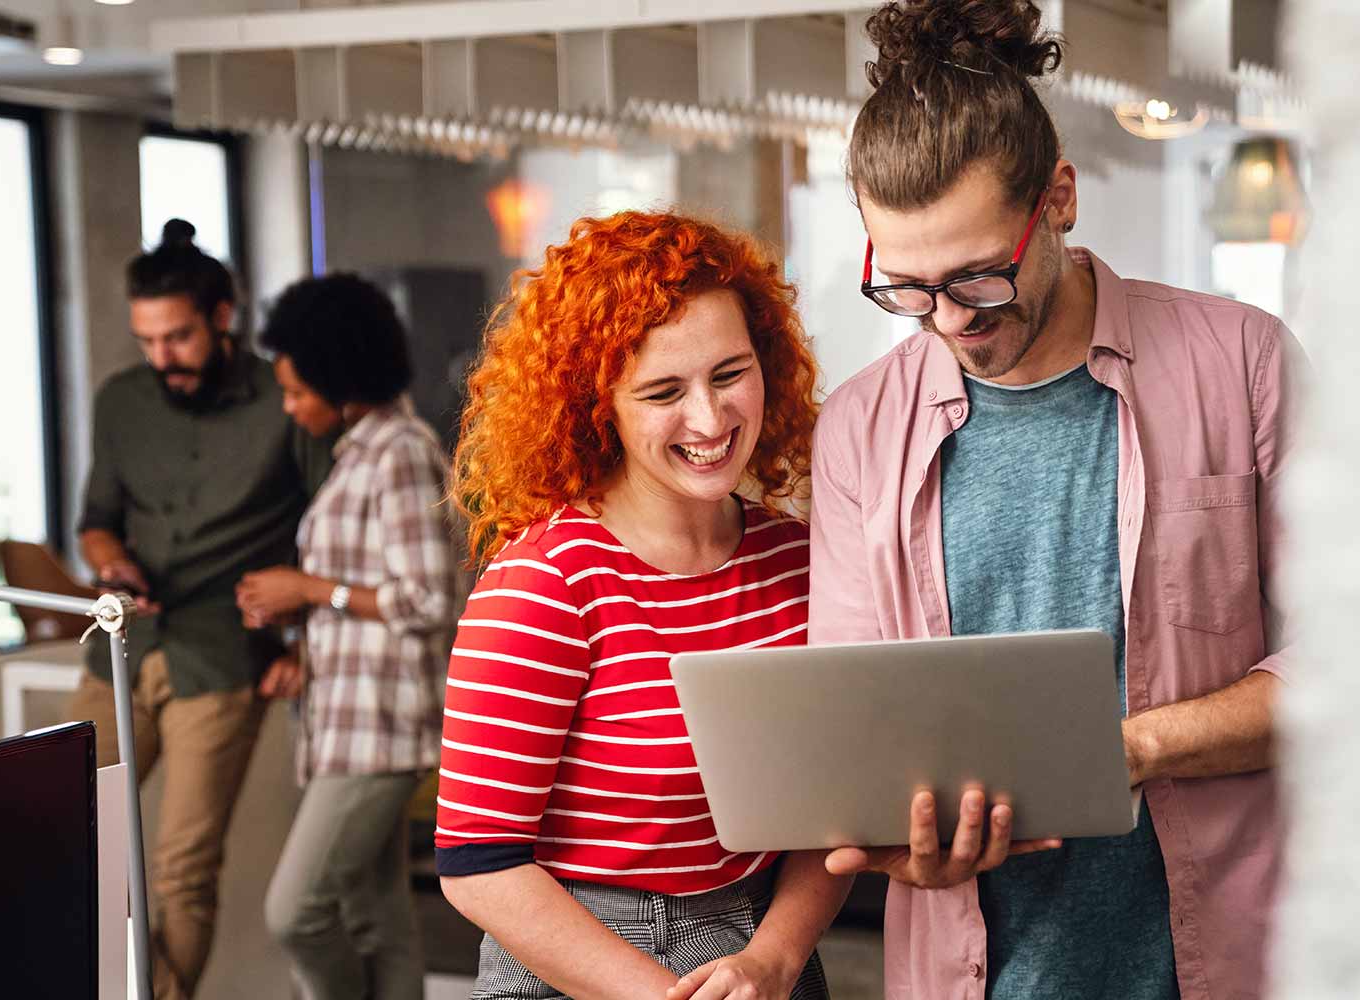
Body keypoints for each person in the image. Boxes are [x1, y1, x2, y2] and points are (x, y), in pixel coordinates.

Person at [808, 2, 1304, 999]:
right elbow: (855, 721)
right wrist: (904, 844)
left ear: (1062, 197)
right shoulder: (860, 427)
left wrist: (1128, 748)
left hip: (1225, 962)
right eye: (905, 288)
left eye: (979, 278)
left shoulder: (1243, 362)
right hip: (970, 972)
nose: (948, 320)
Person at [434, 211, 847, 1000]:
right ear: (600, 408)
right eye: (663, 392)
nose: (709, 418)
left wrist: (774, 959)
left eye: (730, 373)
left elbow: (834, 811)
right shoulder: (548, 582)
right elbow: (478, 865)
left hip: (762, 949)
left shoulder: (797, 561)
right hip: (580, 957)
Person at [67, 218, 333, 999]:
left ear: (222, 318)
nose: (161, 358)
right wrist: (108, 560)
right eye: (147, 340)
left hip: (221, 660)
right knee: (68, 835)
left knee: (180, 867)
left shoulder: (286, 404)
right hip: (116, 646)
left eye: (178, 337)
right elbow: (95, 520)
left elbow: (334, 530)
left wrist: (305, 645)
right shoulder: (122, 401)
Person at [236, 273, 463, 1000]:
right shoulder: (362, 453)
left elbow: (429, 597)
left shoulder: (399, 451)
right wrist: (299, 622)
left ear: (340, 380)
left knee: (295, 912)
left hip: (381, 733)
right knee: (377, 919)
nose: (289, 405)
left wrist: (307, 589)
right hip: (348, 723)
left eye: (297, 390)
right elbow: (371, 593)